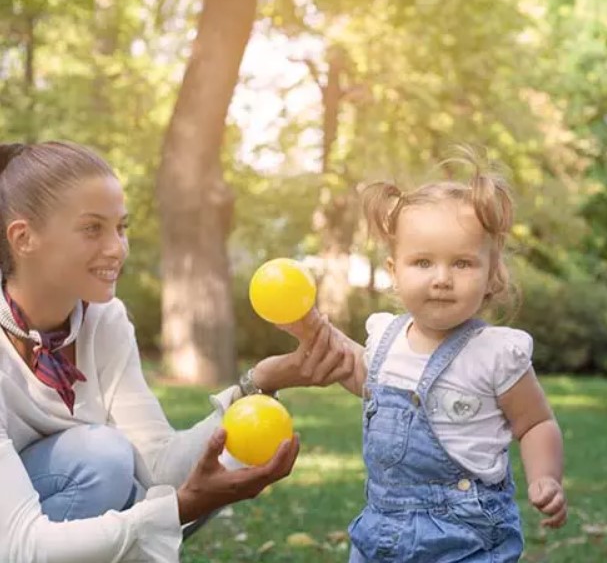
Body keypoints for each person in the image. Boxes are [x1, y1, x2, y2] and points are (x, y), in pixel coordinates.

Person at [0, 141, 353, 562]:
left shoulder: (103, 319)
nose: (117, 248)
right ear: (24, 238)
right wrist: (180, 509)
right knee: (103, 459)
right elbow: (20, 547)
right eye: (93, 228)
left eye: (121, 227)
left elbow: (159, 468)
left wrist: (259, 382)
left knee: (119, 459)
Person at [284, 149, 567, 562]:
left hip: (466, 537)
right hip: (382, 530)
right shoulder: (384, 337)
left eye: (463, 264)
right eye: (422, 262)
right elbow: (365, 380)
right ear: (394, 271)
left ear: (492, 274)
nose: (441, 279)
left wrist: (546, 478)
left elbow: (536, 422)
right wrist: (314, 330)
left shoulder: (494, 353)